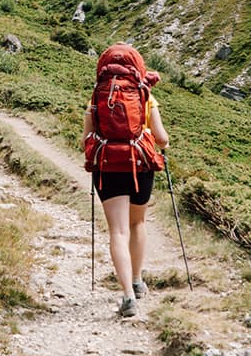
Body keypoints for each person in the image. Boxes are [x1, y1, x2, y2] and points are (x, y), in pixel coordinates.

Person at [83, 43, 169, 318]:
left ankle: (128, 298)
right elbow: (162, 138)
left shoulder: (97, 95)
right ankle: (137, 280)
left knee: (118, 231)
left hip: (108, 167)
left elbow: (87, 138)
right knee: (138, 222)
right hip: (140, 166)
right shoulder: (145, 96)